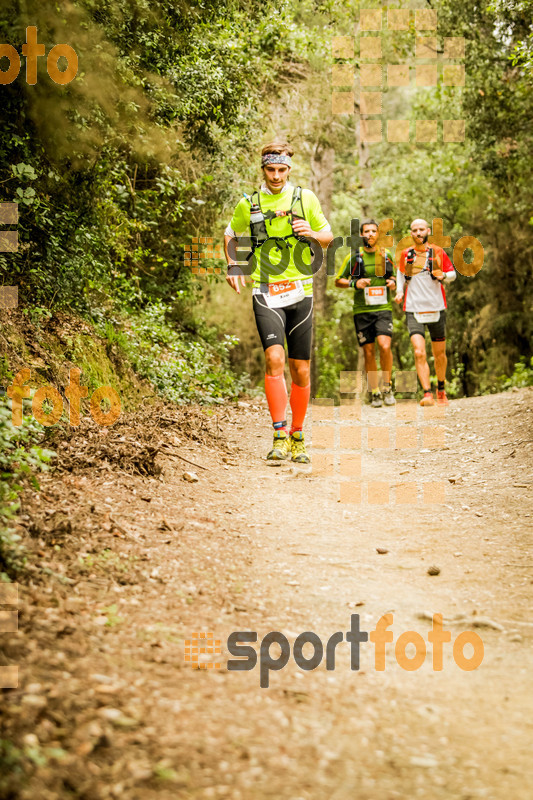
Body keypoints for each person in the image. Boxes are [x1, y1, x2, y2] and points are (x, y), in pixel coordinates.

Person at [224, 142, 333, 462]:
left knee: (300, 370)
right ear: (263, 170)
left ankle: (298, 436)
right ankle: (279, 434)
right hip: (265, 291)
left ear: (288, 170)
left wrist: (311, 232)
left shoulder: (305, 198)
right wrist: (234, 264)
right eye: (270, 170)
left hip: (301, 293)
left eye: (281, 170)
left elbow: (328, 236)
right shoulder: (249, 204)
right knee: (274, 359)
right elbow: (230, 234)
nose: (275, 175)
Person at [395, 218, 456, 406]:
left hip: (436, 307)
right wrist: (399, 291)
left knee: (440, 354)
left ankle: (441, 390)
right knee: (419, 352)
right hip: (413, 308)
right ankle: (427, 393)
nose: (418, 232)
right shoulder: (406, 254)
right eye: (415, 230)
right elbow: (399, 274)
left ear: (427, 230)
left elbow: (452, 273)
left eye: (421, 229)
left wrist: (443, 276)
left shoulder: (437, 251)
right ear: (411, 233)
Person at [335, 220, 396, 407]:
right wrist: (355, 283)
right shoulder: (354, 257)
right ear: (361, 235)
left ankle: (387, 386)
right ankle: (375, 391)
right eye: (366, 231)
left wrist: (393, 283)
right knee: (368, 352)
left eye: (373, 231)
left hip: (383, 309)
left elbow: (393, 276)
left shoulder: (386, 255)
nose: (370, 234)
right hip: (362, 310)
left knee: (384, 346)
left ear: (378, 234)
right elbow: (338, 281)